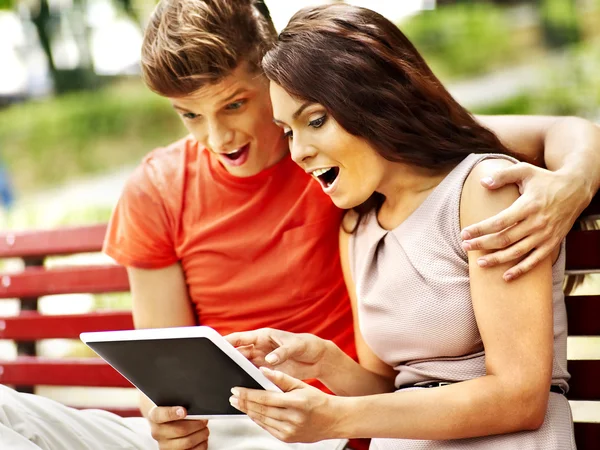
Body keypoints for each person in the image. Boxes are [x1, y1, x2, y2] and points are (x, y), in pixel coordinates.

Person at [1, 1, 599, 450]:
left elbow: (545, 134)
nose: (219, 139)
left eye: (235, 104)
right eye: (189, 116)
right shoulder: (345, 207)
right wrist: (170, 419)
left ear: (273, 75)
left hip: (315, 427)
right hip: (256, 422)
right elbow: (165, 372)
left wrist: (572, 182)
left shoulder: (365, 161)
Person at [224, 4, 599, 449]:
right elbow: (390, 396)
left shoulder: (483, 189)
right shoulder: (357, 231)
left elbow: (519, 398)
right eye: (288, 131)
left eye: (316, 120)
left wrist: (337, 418)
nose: (299, 151)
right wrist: (323, 362)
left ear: (374, 100)